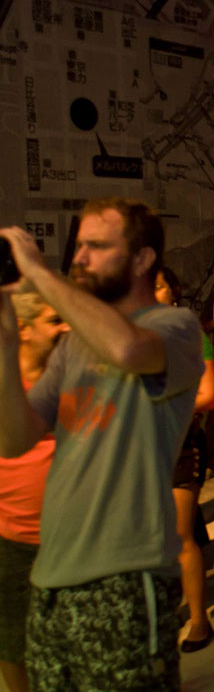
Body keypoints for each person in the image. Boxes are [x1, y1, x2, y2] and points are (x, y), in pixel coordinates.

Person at [0, 199, 203, 690]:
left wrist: (38, 274)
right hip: (52, 577)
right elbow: (15, 439)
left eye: (96, 246)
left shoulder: (174, 327)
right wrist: (5, 342)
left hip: (126, 577)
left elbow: (129, 350)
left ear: (142, 259)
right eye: (78, 246)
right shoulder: (73, 344)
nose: (79, 258)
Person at [0, 286, 65, 692]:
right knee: (12, 644)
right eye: (53, 320)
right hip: (11, 540)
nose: (65, 329)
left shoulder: (73, 378)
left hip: (70, 539)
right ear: (23, 328)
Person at [154, 268, 214, 653]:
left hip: (179, 445)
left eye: (158, 286)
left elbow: (208, 394)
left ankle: (199, 619)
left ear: (173, 291)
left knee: (180, 536)